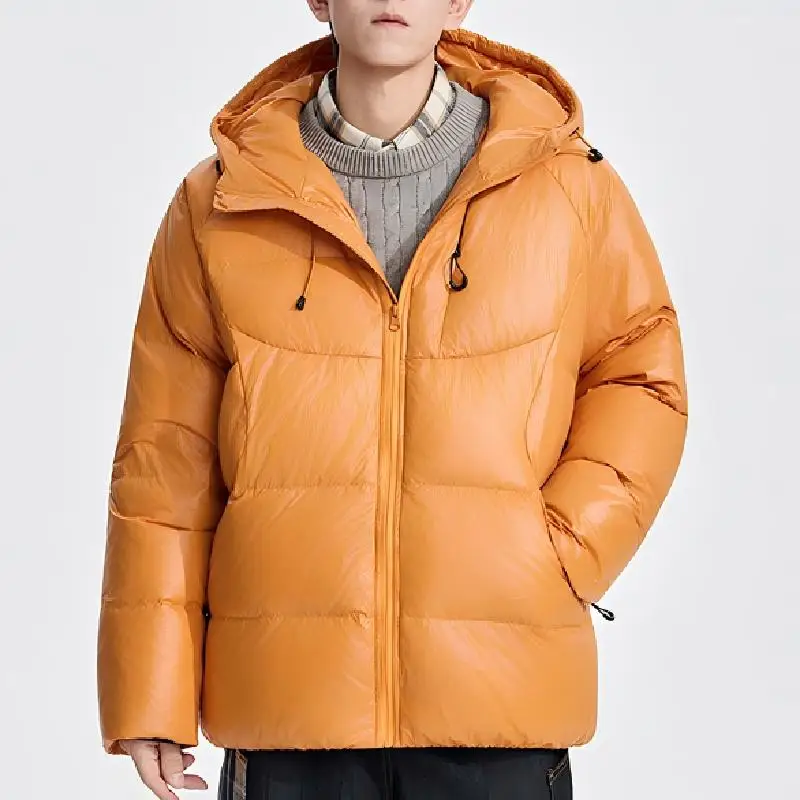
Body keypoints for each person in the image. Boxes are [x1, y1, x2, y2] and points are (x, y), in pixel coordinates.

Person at [96, 1, 688, 798]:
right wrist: (151, 685)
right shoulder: (220, 205)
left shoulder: (566, 186)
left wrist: (556, 551)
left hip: (498, 704)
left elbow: (638, 373)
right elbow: (165, 456)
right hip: (289, 707)